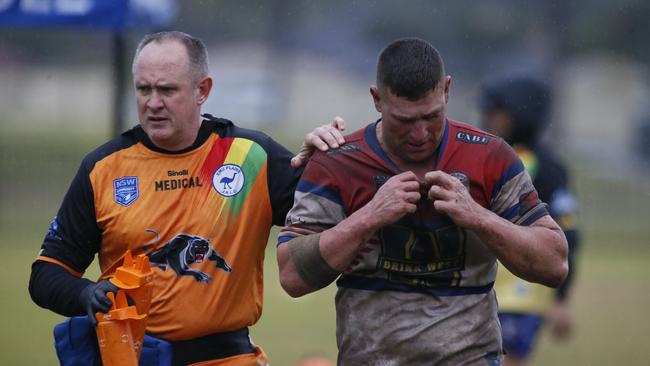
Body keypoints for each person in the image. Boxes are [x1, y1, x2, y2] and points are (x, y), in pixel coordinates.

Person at [28, 31, 345, 366]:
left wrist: (333, 159)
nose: (153, 103)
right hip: (132, 356)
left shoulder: (250, 156)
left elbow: (331, 210)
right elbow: (46, 275)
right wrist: (86, 294)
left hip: (227, 358)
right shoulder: (103, 168)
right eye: (143, 89)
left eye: (167, 90)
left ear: (202, 90)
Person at [276, 38, 568, 365]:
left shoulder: (490, 156)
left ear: (446, 90)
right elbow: (291, 275)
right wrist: (369, 216)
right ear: (377, 99)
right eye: (404, 120)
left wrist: (477, 216)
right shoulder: (338, 162)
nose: (420, 134)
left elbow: (554, 263)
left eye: (431, 116)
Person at [479, 75, 580, 366]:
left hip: (523, 295)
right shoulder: (484, 154)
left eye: (495, 113)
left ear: (520, 115)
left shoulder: (545, 167)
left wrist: (561, 299)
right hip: (481, 286)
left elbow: (568, 235)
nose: (487, 119)